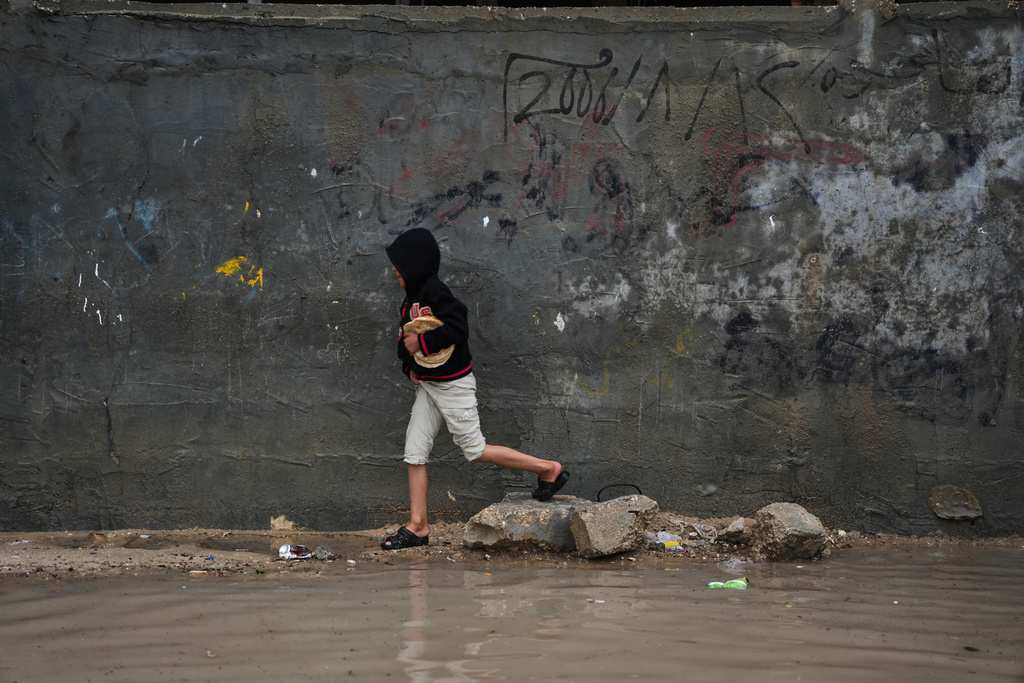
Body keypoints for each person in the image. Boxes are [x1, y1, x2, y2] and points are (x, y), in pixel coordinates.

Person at [381, 227, 569, 550]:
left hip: (454, 386)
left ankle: (548, 469)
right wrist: (409, 367)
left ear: (415, 263)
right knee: (414, 451)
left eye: (399, 264)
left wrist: (422, 342)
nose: (394, 270)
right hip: (428, 387)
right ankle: (419, 526)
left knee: (476, 450)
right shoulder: (408, 301)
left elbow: (458, 326)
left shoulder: (433, 290)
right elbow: (404, 343)